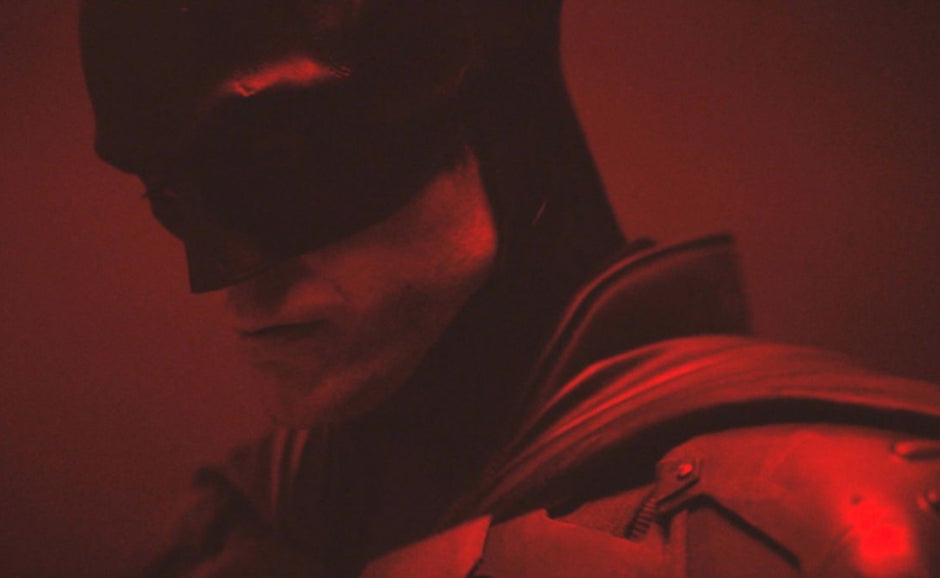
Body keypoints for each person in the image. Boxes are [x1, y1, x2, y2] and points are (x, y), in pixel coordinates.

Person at [79, 1, 940, 576]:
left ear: (496, 110)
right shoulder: (228, 538)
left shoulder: (834, 531)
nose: (224, 275)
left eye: (278, 163)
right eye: (170, 195)